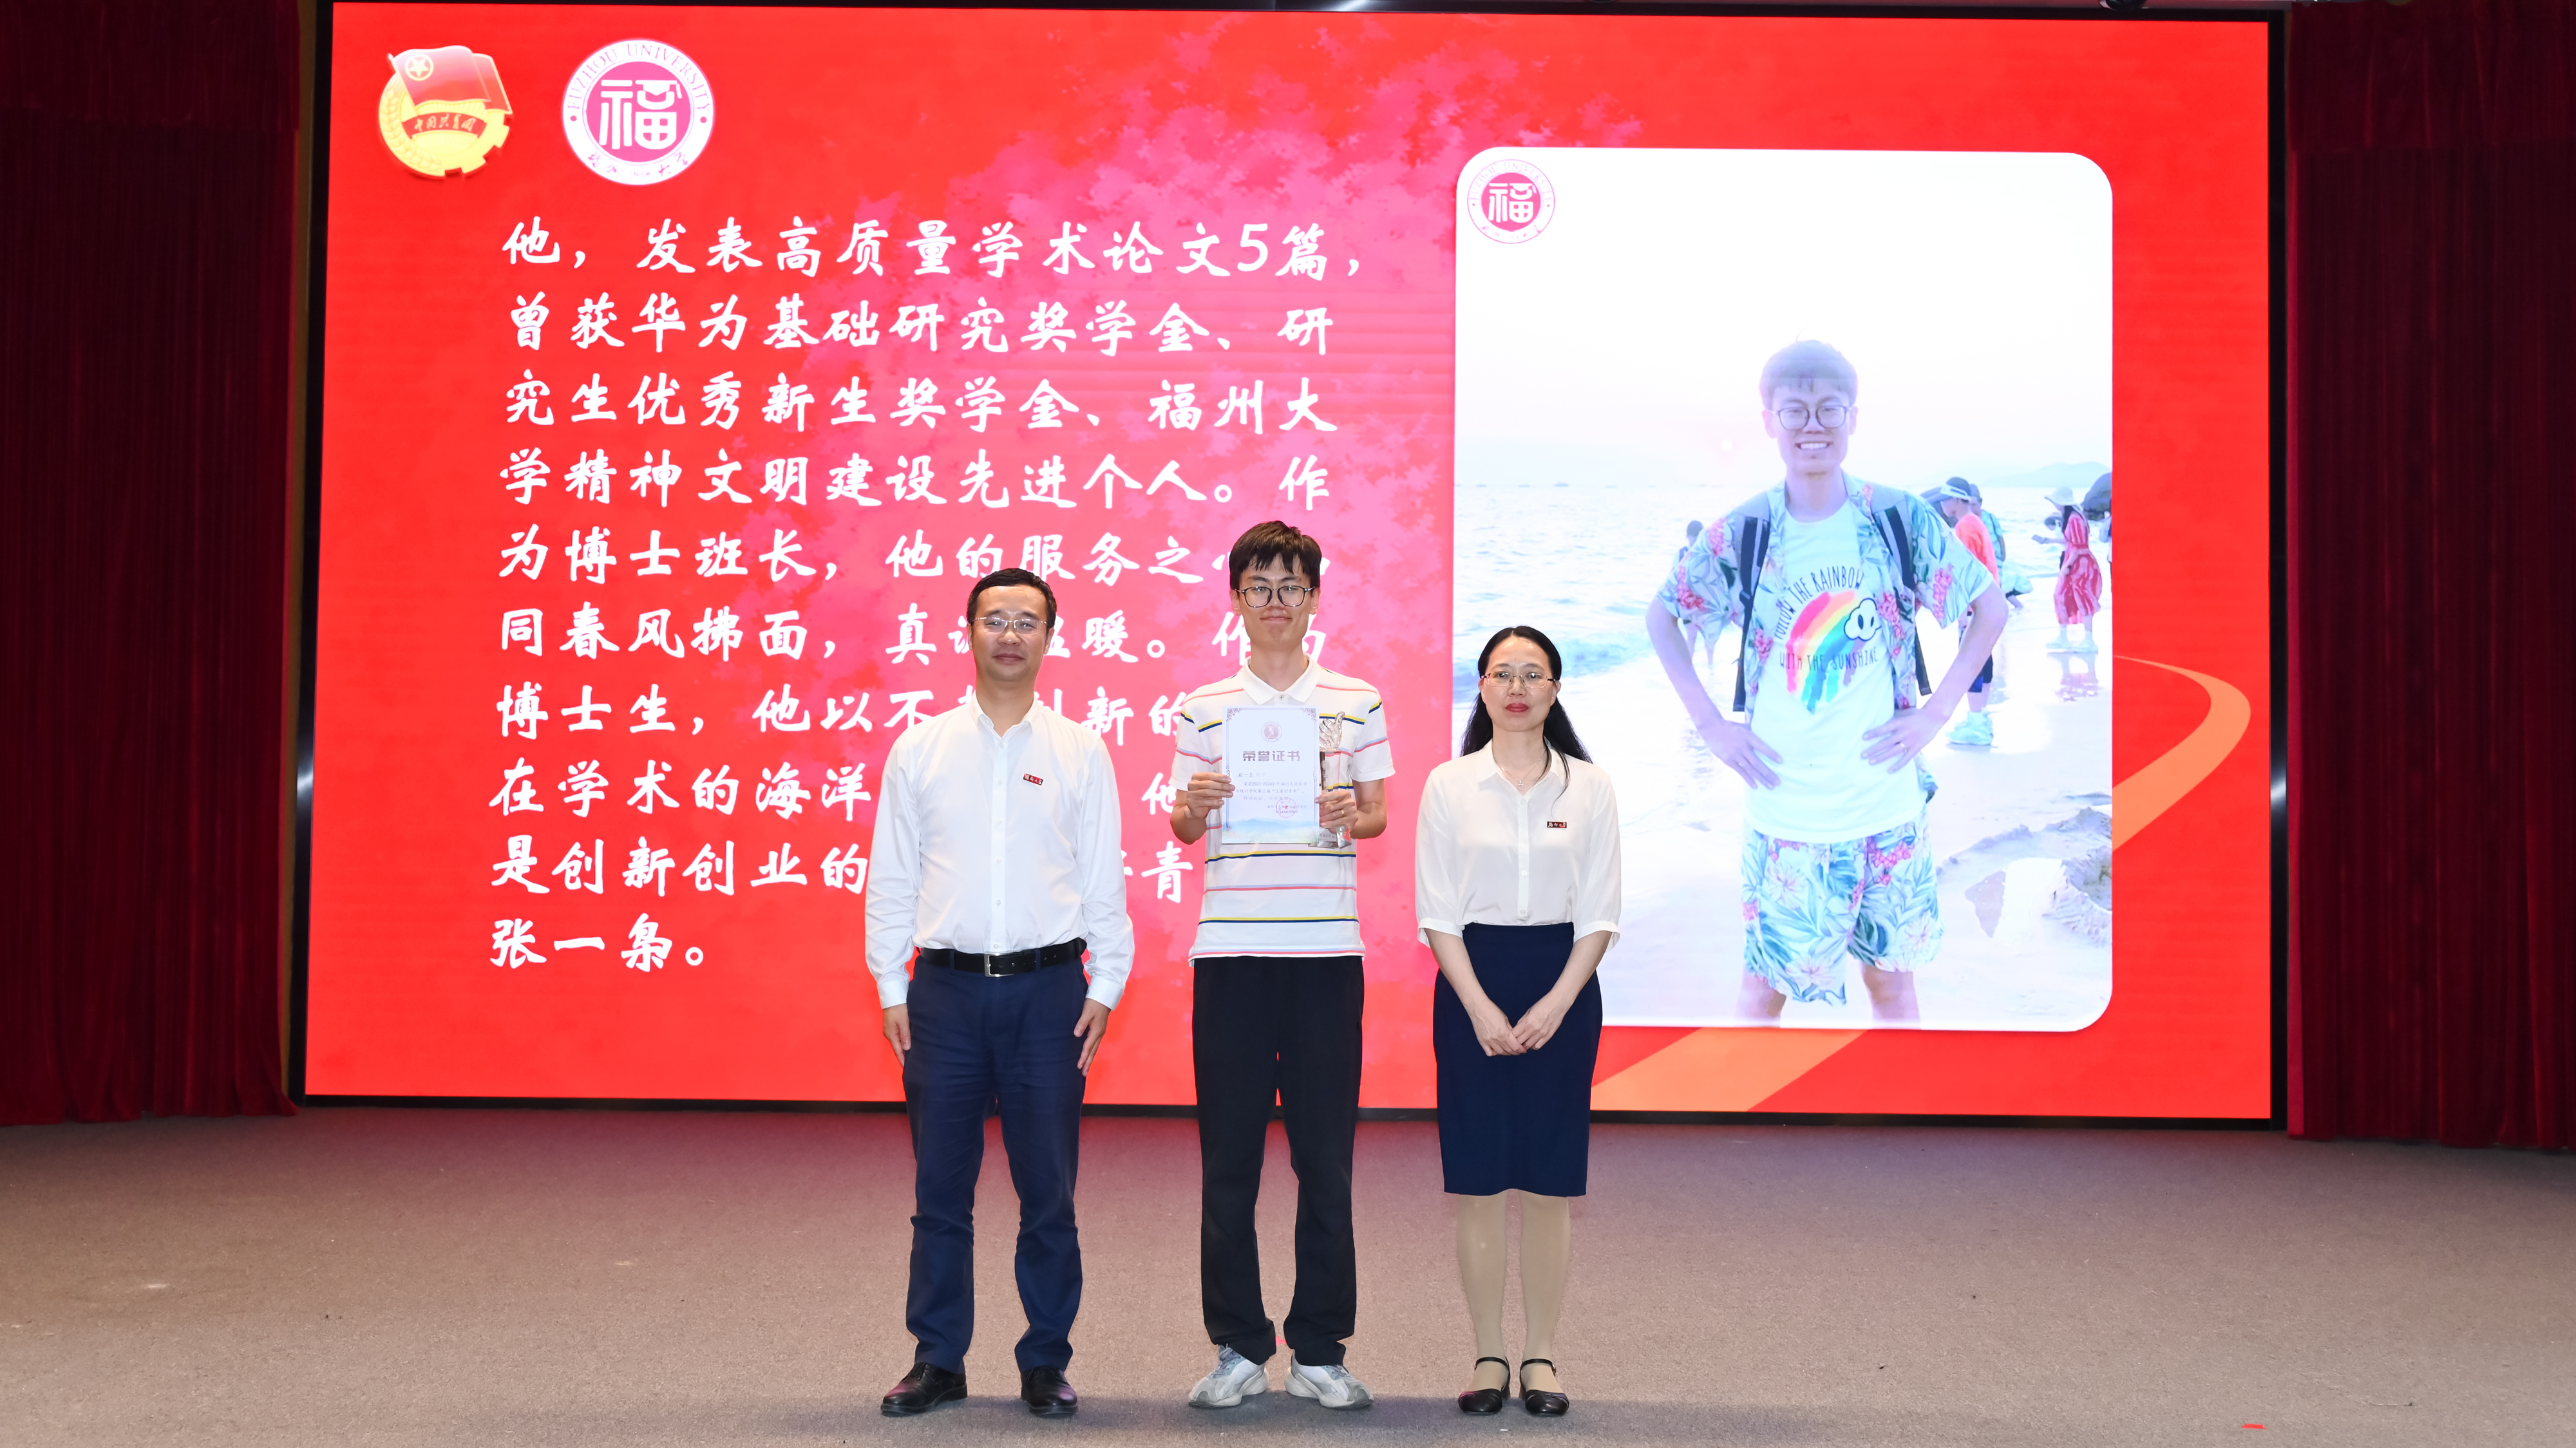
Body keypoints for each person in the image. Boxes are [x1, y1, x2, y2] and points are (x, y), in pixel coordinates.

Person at [1646, 341, 2003, 1024]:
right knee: (1762, 995)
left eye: (1828, 409)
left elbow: (1989, 607)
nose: (1812, 425)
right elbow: (1662, 617)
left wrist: (1936, 714)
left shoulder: (1896, 516)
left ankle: (1898, 1098)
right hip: (1786, 816)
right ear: (1768, 420)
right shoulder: (1747, 530)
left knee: (1892, 989)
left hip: (1887, 808)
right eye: (1795, 410)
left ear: (1852, 416)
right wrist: (1712, 726)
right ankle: (1756, 1100)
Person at [866, 567, 1135, 1419]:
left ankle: (1045, 1359)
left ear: (1050, 637)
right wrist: (890, 982)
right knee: (940, 1195)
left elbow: (1102, 878)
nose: (1010, 634)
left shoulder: (1080, 750)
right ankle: (937, 1359)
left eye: (1027, 620)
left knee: (1048, 1194)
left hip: (1048, 994)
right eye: (995, 619)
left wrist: (1109, 981)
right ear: (969, 631)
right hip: (943, 996)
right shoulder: (920, 748)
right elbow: (892, 877)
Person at [1168, 520, 1394, 1411]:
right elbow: (1183, 825)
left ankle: (1320, 1349)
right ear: (1235, 598)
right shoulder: (1204, 706)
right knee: (1227, 1162)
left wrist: (1347, 812)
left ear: (1314, 597)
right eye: (1258, 586)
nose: (1274, 602)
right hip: (1230, 953)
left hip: (1324, 954)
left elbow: (1375, 813)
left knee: (1324, 1162)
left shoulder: (1355, 700)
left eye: (1290, 586)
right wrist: (1194, 804)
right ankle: (1237, 1345)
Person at [1415, 626, 1620, 1420]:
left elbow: (1600, 909)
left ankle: (1539, 1354)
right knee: (1477, 1180)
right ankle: (1487, 1353)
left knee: (1546, 1182)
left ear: (1556, 689)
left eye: (1533, 673)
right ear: (1482, 687)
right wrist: (1477, 1004)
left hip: (1564, 983)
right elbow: (1437, 909)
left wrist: (1558, 1000)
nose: (1517, 686)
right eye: (1502, 673)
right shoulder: (1449, 784)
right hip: (1471, 979)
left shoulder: (1589, 787)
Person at [1929, 480, 2000, 747]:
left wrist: (1963, 610)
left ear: (1957, 501)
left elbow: (1966, 570)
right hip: (1989, 601)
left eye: (1946, 499)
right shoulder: (1975, 522)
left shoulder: (1965, 526)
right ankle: (1980, 717)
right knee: (1983, 660)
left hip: (1976, 605)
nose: (1942, 504)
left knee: (1972, 662)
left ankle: (1976, 722)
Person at [2047, 484, 2104, 653]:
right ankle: (2063, 636)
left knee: (2083, 598)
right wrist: (2048, 541)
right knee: (2061, 595)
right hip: (2075, 560)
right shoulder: (2071, 517)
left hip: (2081, 564)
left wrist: (2067, 566)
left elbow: (2079, 546)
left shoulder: (2075, 519)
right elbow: (2071, 542)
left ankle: (2089, 640)